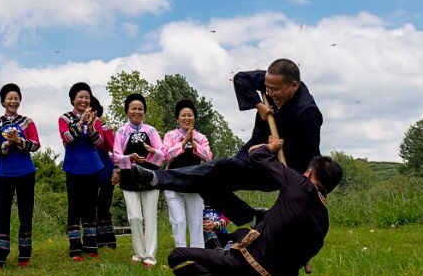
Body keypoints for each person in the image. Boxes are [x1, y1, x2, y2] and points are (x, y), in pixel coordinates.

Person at [120, 58, 322, 227]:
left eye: (276, 90)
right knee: (208, 184)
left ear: (294, 85)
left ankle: (157, 178)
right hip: (251, 154)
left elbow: (311, 158)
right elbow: (241, 78)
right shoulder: (275, 81)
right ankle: (252, 217)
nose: (271, 92)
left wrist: (302, 193)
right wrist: (259, 104)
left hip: (274, 168)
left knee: (221, 166)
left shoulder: (307, 113)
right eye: (267, 87)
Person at [167, 138, 343, 276]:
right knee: (241, 233)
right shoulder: (323, 221)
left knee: (178, 255)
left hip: (250, 272)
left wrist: (272, 145)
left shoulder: (299, 183)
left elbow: (256, 153)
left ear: (310, 173)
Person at [0, 83, 41, 269]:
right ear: (3, 101)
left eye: (16, 98)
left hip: (26, 171)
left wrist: (19, 141)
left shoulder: (27, 122)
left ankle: (25, 254)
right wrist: (6, 145)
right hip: (3, 173)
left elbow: (35, 145)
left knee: (26, 213)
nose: (13, 101)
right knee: (2, 213)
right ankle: (0, 255)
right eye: (9, 98)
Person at [111, 93, 164, 267]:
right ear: (127, 111)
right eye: (133, 108)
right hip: (129, 178)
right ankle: (138, 252)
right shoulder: (121, 131)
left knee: (150, 217)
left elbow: (162, 154)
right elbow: (116, 156)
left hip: (150, 177)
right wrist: (130, 157)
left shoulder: (151, 131)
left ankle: (150, 256)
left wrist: (151, 151)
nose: (137, 111)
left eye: (140, 109)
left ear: (144, 111)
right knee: (134, 217)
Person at [58, 82, 104, 261]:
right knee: (74, 207)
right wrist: (82, 122)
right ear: (73, 100)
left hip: (93, 166)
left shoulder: (96, 119)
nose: (84, 100)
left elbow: (98, 142)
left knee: (91, 207)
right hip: (73, 166)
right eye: (80, 97)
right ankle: (75, 248)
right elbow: (67, 139)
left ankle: (91, 245)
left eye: (87, 97)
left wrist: (91, 126)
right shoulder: (64, 118)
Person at [162, 99, 212, 248]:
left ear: (194, 117)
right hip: (172, 182)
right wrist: (183, 143)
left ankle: (199, 253)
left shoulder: (201, 137)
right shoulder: (170, 136)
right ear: (177, 119)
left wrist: (194, 143)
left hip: (194, 184)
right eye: (183, 115)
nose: (186, 118)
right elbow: (166, 156)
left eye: (190, 115)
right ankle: (181, 254)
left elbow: (208, 157)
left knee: (196, 221)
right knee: (178, 221)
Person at [89, 96, 117, 250]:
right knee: (89, 206)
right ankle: (92, 240)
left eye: (92, 108)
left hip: (106, 171)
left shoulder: (105, 128)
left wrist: (117, 169)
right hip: (88, 173)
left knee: (103, 206)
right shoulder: (79, 129)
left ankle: (108, 241)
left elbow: (115, 149)